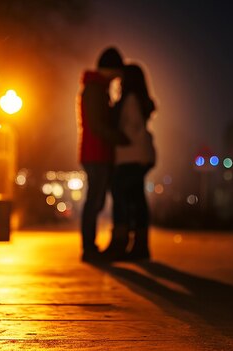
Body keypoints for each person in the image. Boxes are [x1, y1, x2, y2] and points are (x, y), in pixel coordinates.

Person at [77, 47, 129, 262]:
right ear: (110, 70)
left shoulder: (97, 88)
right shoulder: (95, 90)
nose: (118, 78)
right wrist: (122, 138)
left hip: (97, 153)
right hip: (96, 153)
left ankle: (90, 247)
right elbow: (97, 125)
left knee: (95, 201)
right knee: (94, 201)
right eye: (117, 72)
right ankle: (88, 248)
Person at [103, 64, 156, 261]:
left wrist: (117, 137)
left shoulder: (130, 99)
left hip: (132, 157)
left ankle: (120, 241)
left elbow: (133, 130)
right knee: (136, 198)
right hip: (139, 156)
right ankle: (140, 245)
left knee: (120, 194)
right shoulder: (138, 100)